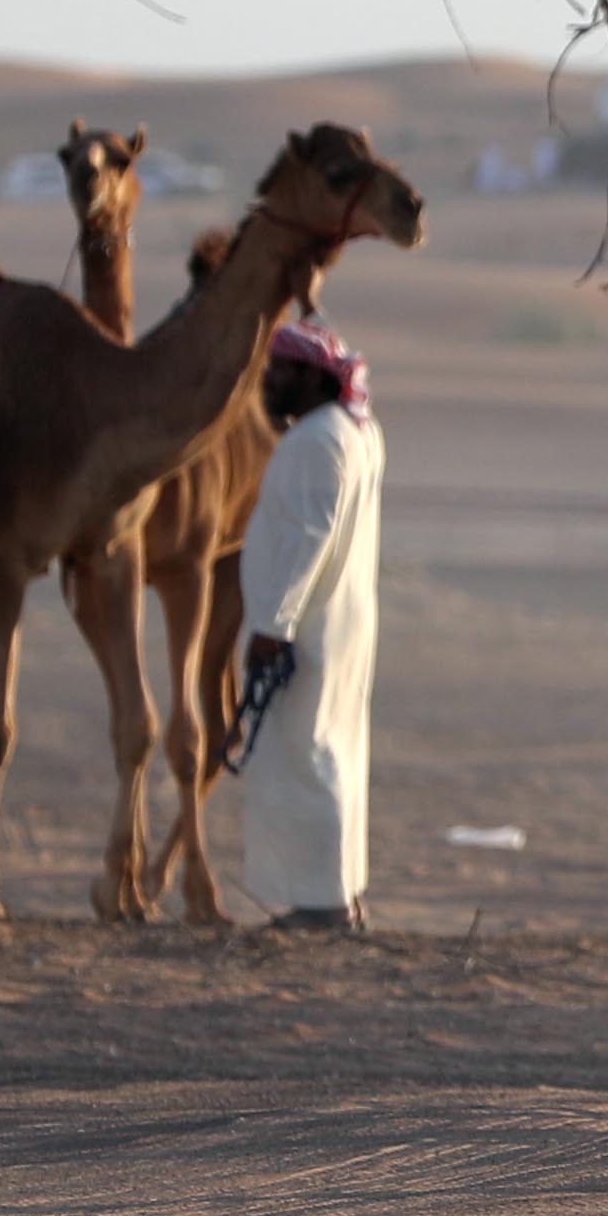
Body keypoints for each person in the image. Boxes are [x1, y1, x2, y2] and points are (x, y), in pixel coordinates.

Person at [236, 319, 384, 933]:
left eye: (278, 372)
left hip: (309, 630)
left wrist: (274, 624)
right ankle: (338, 896)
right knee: (333, 755)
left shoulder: (316, 440)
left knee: (305, 758)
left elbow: (308, 540)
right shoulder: (355, 431)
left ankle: (322, 907)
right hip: (341, 623)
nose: (267, 384)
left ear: (310, 377)